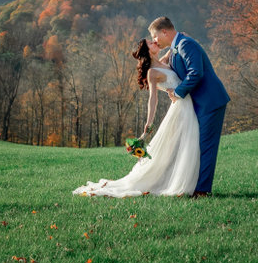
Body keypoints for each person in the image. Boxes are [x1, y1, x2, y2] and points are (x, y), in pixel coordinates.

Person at [72, 39, 200, 198]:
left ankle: (183, 182)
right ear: (148, 50)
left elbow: (177, 41)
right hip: (180, 109)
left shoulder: (164, 61)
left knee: (181, 147)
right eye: (151, 42)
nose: (155, 42)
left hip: (185, 106)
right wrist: (149, 122)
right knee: (182, 147)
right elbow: (153, 99)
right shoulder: (152, 72)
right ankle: (178, 184)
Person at [147, 16, 229, 197]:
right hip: (198, 103)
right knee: (197, 145)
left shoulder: (185, 44)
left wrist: (177, 93)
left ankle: (202, 190)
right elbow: (162, 66)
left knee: (206, 146)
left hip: (210, 101)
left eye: (155, 36)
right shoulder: (177, 46)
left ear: (164, 32)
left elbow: (196, 72)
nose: (155, 41)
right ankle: (195, 187)